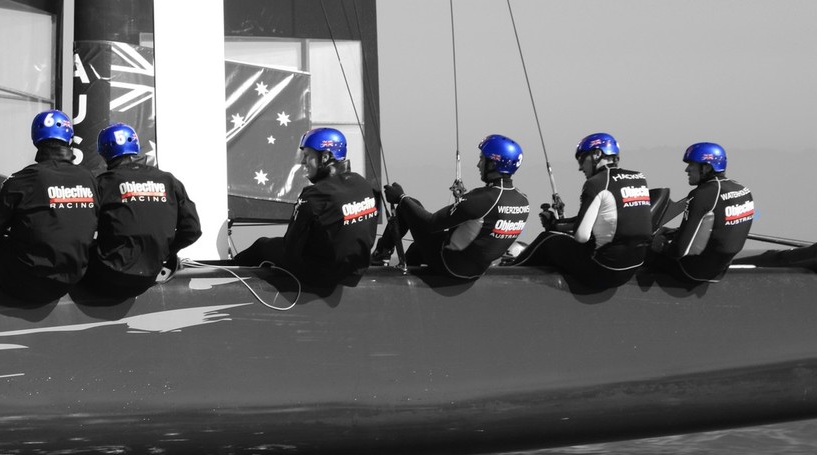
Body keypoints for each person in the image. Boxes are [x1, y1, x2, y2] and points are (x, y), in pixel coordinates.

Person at [0, 110, 99, 302]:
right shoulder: (89, 178)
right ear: (69, 138)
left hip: (26, 283)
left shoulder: (22, 179)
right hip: (70, 280)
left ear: (36, 138)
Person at [232, 127, 379, 285]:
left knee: (262, 245)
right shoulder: (363, 185)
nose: (303, 162)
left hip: (320, 275)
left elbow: (290, 249)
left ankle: (220, 277)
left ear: (326, 157)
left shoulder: (314, 195)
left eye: (307, 155)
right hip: (355, 272)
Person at [373, 134, 530, 279]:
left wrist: (400, 197)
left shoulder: (483, 199)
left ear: (494, 163)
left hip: (450, 266)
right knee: (417, 248)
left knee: (409, 205)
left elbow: (430, 223)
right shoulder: (523, 201)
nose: (478, 164)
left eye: (482, 159)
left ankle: (379, 258)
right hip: (476, 271)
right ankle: (406, 276)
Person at [508, 132, 652, 288]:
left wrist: (556, 230)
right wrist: (558, 224)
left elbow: (581, 236)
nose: (580, 167)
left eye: (582, 158)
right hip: (633, 266)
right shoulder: (639, 178)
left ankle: (508, 273)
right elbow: (608, 219)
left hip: (604, 270)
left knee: (548, 238)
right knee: (556, 233)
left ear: (597, 154)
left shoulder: (596, 183)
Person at [84, 122, 202, 295]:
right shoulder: (169, 180)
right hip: (151, 274)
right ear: (136, 145)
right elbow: (192, 230)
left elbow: (81, 228)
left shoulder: (102, 183)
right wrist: (167, 252)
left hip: (110, 274)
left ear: (103, 152)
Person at [647, 142, 754, 283]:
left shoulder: (702, 195)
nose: (687, 170)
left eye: (692, 164)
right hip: (720, 270)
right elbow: (717, 229)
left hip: (692, 272)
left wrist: (660, 245)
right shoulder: (743, 190)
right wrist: (674, 233)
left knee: (642, 248)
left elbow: (678, 252)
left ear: (707, 167)